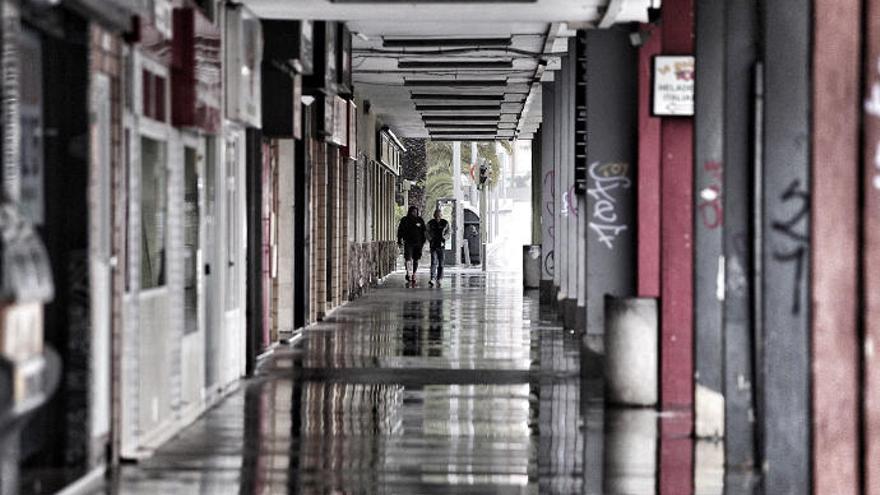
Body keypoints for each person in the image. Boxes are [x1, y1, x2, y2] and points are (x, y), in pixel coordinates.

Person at [397, 206, 427, 286]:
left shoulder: (420, 220)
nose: (415, 213)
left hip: (418, 243)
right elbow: (400, 230)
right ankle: (408, 273)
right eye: (413, 211)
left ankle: (414, 273)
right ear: (410, 211)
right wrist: (399, 240)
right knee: (408, 258)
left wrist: (424, 241)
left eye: (416, 211)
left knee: (416, 259)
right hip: (408, 242)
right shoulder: (404, 220)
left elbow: (424, 231)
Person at [427, 209, 450, 287]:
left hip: (441, 246)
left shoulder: (445, 223)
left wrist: (444, 238)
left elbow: (448, 232)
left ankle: (439, 278)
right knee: (433, 262)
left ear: (441, 215)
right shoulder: (430, 223)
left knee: (441, 263)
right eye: (436, 215)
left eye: (439, 215)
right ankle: (432, 278)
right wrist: (430, 239)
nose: (438, 216)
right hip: (433, 245)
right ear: (434, 215)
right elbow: (427, 232)